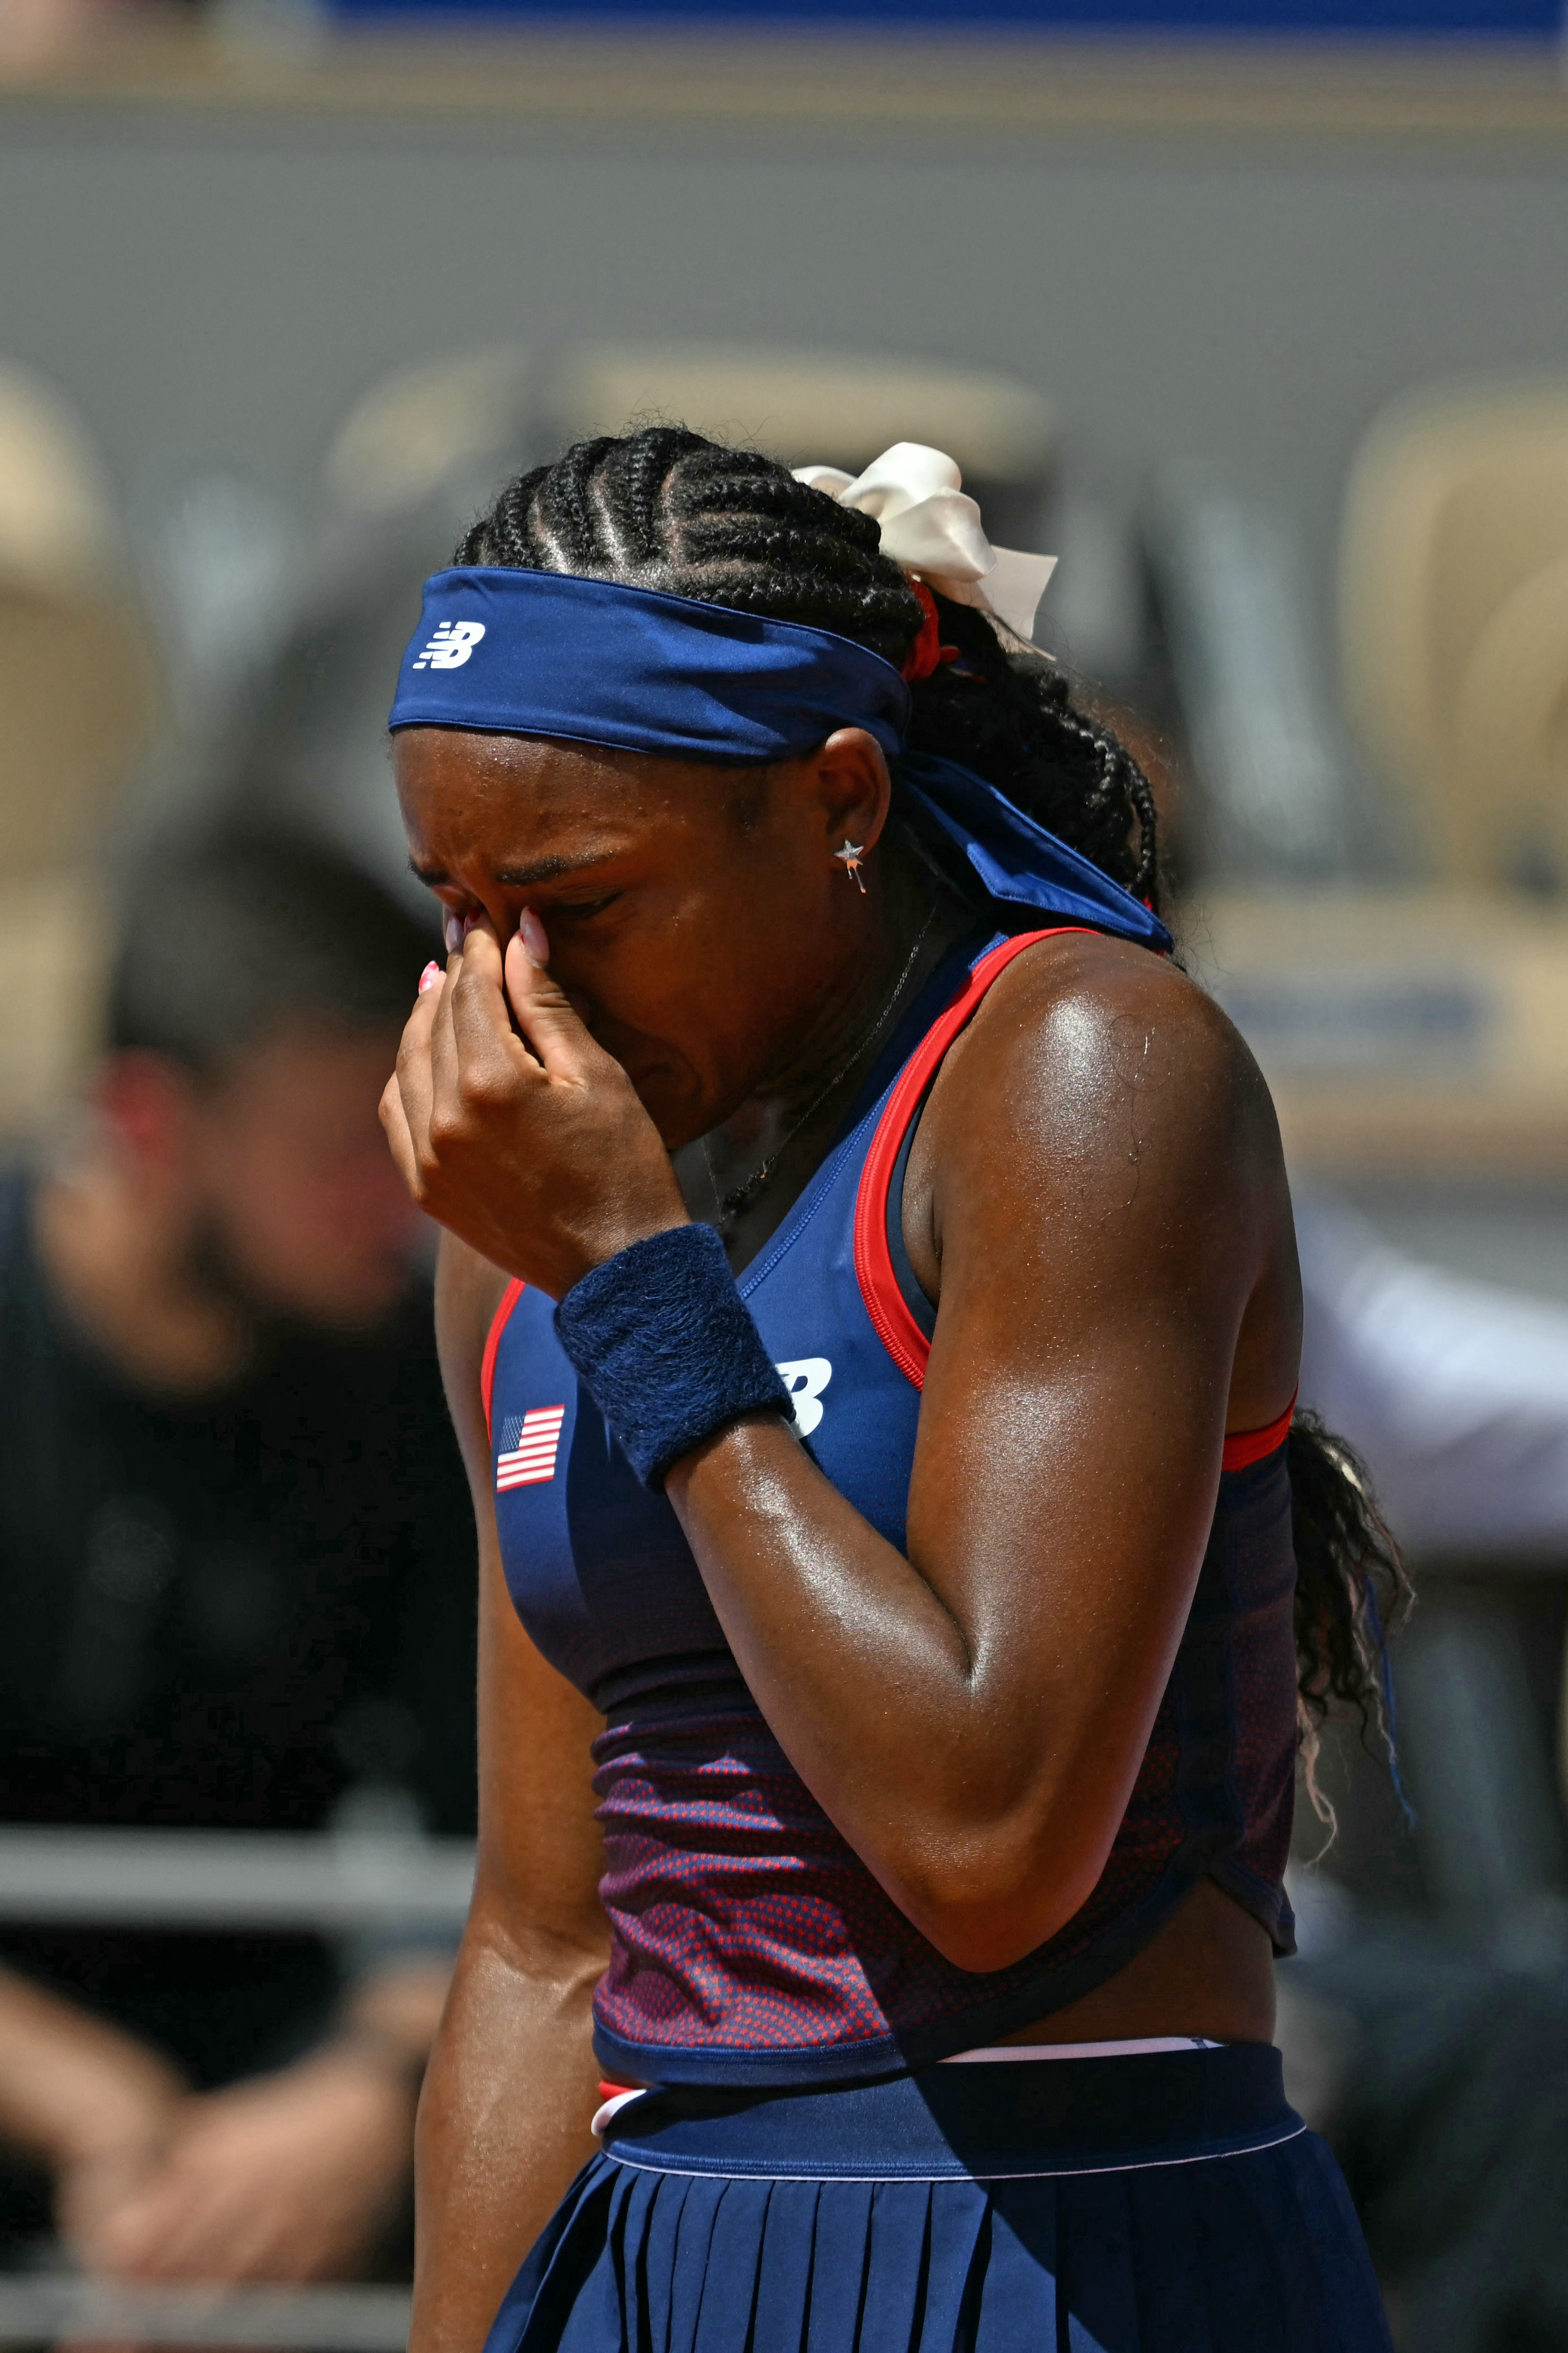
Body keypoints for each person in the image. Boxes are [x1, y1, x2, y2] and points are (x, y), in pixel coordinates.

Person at [379, 429, 1402, 2352]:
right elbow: (540, 1939)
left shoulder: (1084, 1078)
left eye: (579, 905)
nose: (508, 995)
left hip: (1072, 2246)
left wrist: (636, 1290)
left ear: (839, 801)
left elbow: (987, 1845)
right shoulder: (533, 1220)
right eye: (454, 906)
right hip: (659, 2244)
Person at [0, 827, 476, 2286]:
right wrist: (98, 2116)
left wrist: (361, 2102)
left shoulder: (406, 1374)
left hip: (293, 2092)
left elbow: (508, 1819)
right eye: (341, 1151)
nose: (398, 1204)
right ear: (148, 1124)